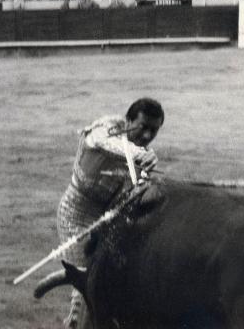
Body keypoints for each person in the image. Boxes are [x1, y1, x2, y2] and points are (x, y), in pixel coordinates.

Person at [57, 97, 164, 329]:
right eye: (142, 127)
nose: (146, 135)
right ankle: (76, 322)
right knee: (83, 280)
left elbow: (137, 191)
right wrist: (137, 154)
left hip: (109, 220)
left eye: (153, 131)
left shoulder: (144, 157)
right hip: (75, 214)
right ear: (128, 120)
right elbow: (102, 142)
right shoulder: (105, 128)